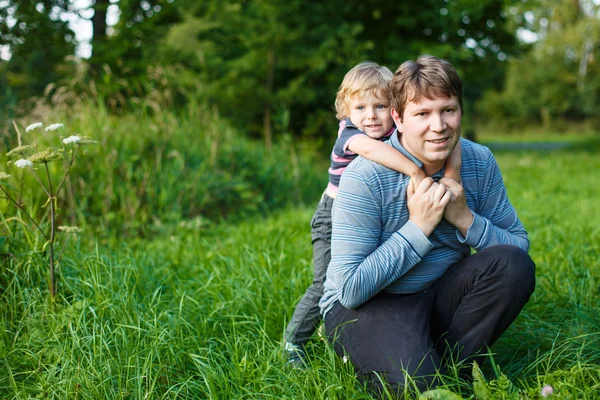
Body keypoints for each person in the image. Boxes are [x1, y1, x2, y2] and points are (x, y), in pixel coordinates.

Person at [319, 55, 536, 396]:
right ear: (398, 118)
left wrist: (464, 217)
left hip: (441, 291)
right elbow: (350, 289)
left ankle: (457, 363)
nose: (439, 125)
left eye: (448, 110)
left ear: (460, 110)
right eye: (422, 113)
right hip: (370, 303)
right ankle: (420, 364)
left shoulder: (478, 161)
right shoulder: (364, 176)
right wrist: (418, 227)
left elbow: (518, 246)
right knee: (424, 388)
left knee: (513, 264)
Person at [283, 61, 462, 366]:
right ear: (345, 111)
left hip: (372, 213)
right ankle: (294, 341)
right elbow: (372, 151)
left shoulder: (397, 129)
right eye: (361, 107)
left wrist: (453, 174)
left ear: (394, 109)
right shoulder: (350, 135)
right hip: (334, 214)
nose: (371, 116)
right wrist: (416, 172)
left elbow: (454, 143)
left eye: (380, 106)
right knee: (326, 280)